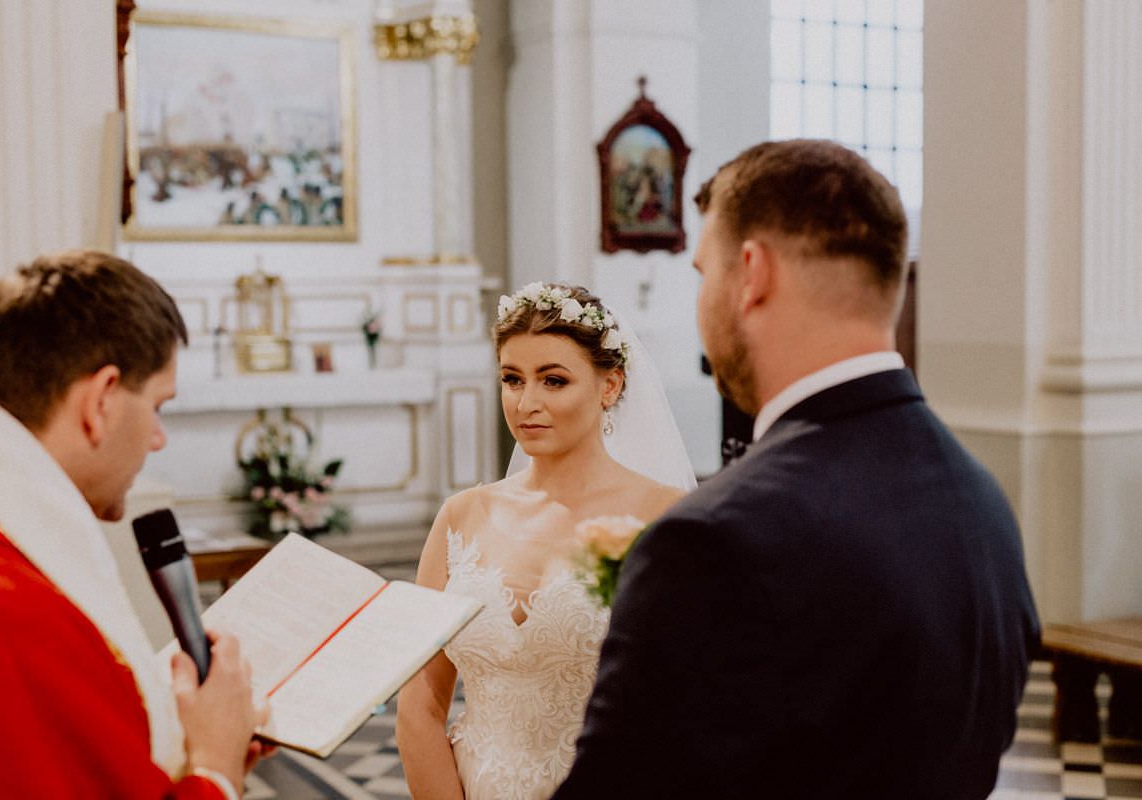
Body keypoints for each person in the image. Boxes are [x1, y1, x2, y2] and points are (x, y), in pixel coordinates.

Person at [553, 139, 1040, 799]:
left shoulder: (715, 541)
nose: (702, 303)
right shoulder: (983, 505)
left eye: (703, 273)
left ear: (751, 274)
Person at [0, 250, 269, 799]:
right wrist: (214, 768)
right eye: (159, 406)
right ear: (101, 401)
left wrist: (201, 742)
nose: (158, 439)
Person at [396, 283, 696, 800]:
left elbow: (688, 707)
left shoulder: (661, 518)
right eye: (512, 380)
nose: (526, 403)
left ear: (610, 385)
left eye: (553, 381)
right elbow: (419, 703)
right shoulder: (461, 517)